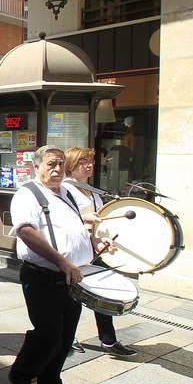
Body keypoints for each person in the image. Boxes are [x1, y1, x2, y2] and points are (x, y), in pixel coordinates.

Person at [8, 146, 115, 384]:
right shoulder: (27, 194)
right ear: (37, 167)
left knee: (66, 336)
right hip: (43, 276)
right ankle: (20, 377)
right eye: (51, 165)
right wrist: (62, 261)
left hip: (73, 276)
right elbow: (26, 232)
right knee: (48, 334)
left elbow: (76, 227)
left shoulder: (66, 193)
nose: (57, 170)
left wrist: (95, 242)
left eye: (60, 165)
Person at [63, 147, 137, 356]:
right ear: (71, 165)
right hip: (77, 251)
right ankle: (69, 338)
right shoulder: (66, 190)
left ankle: (108, 340)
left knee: (103, 293)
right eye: (83, 161)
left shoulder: (91, 190)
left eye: (91, 161)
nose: (89, 165)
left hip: (95, 249)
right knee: (72, 298)